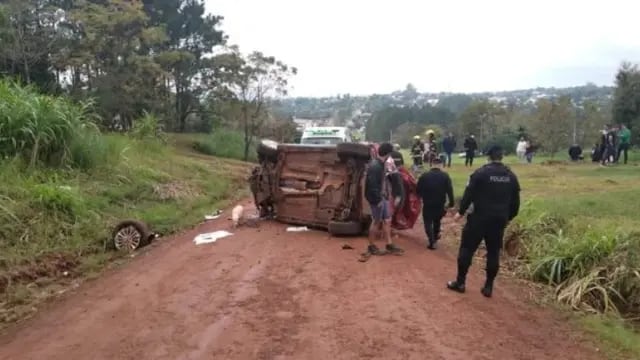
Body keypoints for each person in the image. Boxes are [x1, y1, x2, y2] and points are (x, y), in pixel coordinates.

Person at [447, 145, 520, 298]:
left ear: (488, 157)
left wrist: (460, 213)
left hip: (479, 218)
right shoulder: (511, 176)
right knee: (493, 252)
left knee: (467, 249)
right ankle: (488, 287)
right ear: (501, 157)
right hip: (499, 220)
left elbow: (468, 195)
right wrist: (508, 217)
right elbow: (515, 203)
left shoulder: (480, 174)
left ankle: (460, 282)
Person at [364, 142, 404, 255]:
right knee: (376, 221)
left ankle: (389, 244)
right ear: (387, 154)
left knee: (387, 220)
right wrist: (378, 200)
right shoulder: (375, 166)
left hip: (384, 197)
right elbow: (372, 186)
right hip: (378, 199)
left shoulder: (382, 164)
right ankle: (371, 246)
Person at [416, 159, 454, 250]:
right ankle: (435, 237)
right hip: (440, 202)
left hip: (428, 202)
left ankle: (431, 240)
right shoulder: (445, 176)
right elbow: (450, 190)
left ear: (431, 164)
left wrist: (421, 197)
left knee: (427, 222)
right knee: (437, 221)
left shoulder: (424, 176)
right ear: (441, 165)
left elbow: (418, 190)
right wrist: (451, 203)